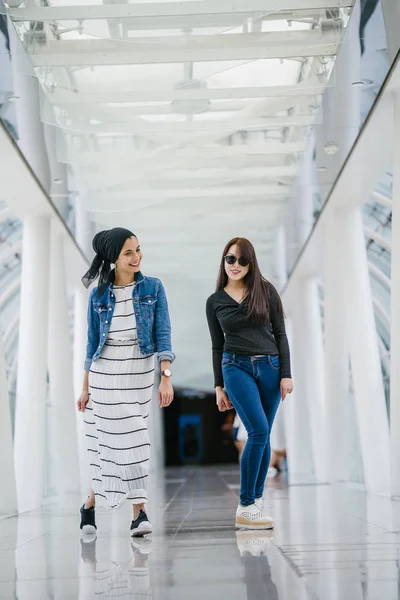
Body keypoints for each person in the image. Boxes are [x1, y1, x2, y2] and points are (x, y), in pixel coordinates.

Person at [77, 228, 175, 537]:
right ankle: (139, 513)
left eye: (138, 250)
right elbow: (92, 343)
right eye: (128, 253)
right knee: (113, 443)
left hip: (139, 368)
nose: (137, 257)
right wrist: (85, 386)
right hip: (105, 371)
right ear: (114, 258)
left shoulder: (153, 288)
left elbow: (163, 334)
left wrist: (166, 377)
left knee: (133, 440)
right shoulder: (99, 295)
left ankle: (90, 504)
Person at [206, 237, 293, 530]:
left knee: (264, 434)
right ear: (224, 261)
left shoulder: (266, 292)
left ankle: (254, 502)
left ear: (251, 264)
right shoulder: (215, 301)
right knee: (256, 430)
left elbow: (281, 334)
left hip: (270, 367)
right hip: (235, 367)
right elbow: (217, 346)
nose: (235, 265)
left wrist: (286, 374)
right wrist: (218, 387)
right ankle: (245, 505)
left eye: (242, 260)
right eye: (231, 259)